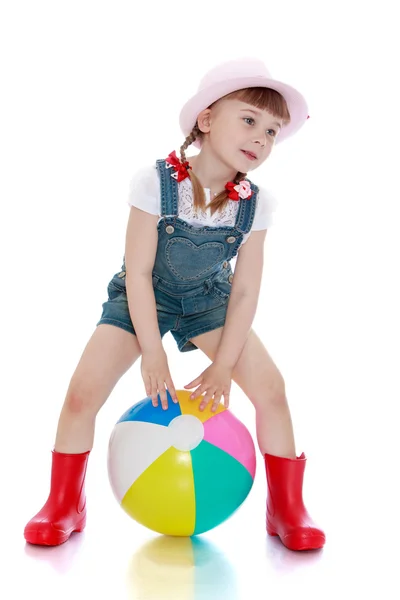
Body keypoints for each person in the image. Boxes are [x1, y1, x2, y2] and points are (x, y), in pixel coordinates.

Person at [24, 57, 325, 551]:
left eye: (271, 131)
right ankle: (64, 503)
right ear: (206, 119)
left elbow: (246, 290)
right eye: (249, 120)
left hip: (209, 301)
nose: (261, 139)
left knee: (271, 388)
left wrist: (224, 366)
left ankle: (286, 509)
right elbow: (139, 274)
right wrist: (153, 354)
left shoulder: (256, 203)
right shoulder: (156, 183)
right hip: (142, 296)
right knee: (82, 392)